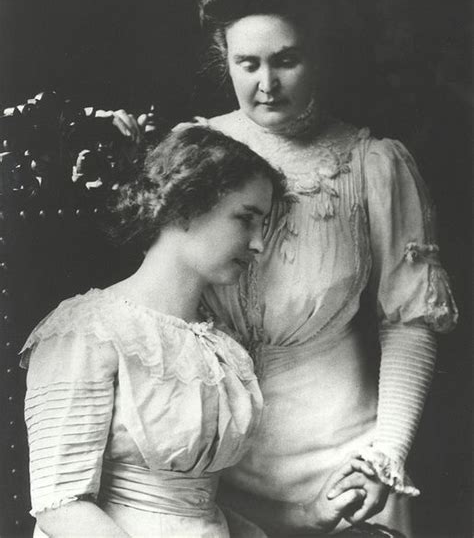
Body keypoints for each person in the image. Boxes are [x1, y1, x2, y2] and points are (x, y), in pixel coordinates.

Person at [191, 0, 458, 538]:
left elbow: (410, 318)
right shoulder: (192, 152)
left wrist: (385, 452)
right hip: (211, 457)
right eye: (249, 64)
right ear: (226, 61)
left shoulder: (374, 165)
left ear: (319, 56)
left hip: (343, 461)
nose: (268, 84)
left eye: (287, 60)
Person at [20, 125, 378, 538]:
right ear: (186, 206)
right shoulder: (86, 331)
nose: (260, 244)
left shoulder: (219, 347)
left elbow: (199, 508)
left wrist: (306, 515)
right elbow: (60, 507)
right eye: (246, 219)